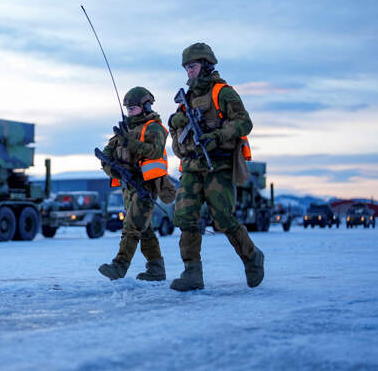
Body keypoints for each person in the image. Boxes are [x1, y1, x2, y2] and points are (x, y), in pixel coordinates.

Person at [168, 43, 264, 291]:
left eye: (193, 66)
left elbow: (244, 122)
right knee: (185, 216)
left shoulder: (223, 93)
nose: (189, 71)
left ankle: (252, 257)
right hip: (191, 166)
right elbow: (177, 130)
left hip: (218, 164)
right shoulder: (186, 98)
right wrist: (176, 120)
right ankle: (192, 273)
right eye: (187, 67)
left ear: (206, 65)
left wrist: (219, 136)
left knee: (222, 216)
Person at [99, 87, 176, 281]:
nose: (130, 112)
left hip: (146, 186)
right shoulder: (126, 129)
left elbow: (154, 151)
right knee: (145, 228)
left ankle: (119, 266)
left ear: (146, 106)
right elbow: (108, 154)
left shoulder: (154, 128)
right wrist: (112, 167)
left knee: (132, 226)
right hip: (127, 186)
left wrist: (129, 142)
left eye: (133, 108)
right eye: (128, 109)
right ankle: (156, 269)